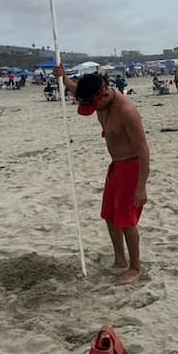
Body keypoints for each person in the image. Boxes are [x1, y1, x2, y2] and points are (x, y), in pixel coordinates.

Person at [57, 66, 150, 285]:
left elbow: (143, 149)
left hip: (132, 167)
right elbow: (77, 89)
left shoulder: (126, 111)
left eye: (93, 104)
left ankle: (135, 267)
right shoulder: (96, 95)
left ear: (106, 94)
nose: (92, 108)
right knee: (109, 215)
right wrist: (63, 78)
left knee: (127, 220)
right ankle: (119, 258)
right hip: (115, 166)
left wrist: (141, 186)